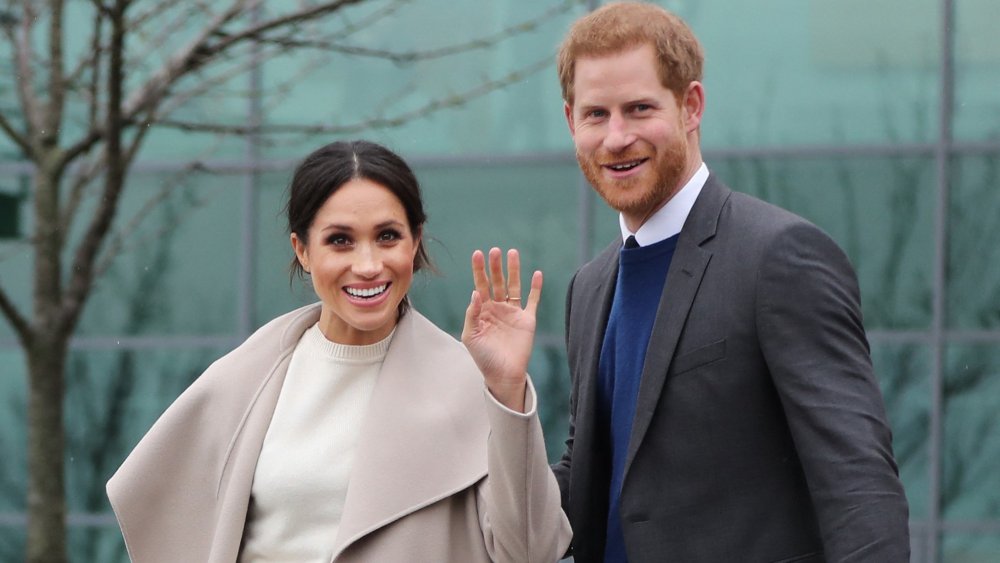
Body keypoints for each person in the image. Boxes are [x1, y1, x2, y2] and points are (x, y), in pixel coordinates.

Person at [551, 3, 910, 562]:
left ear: (691, 106)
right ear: (572, 121)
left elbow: (856, 481)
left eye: (640, 109)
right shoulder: (589, 289)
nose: (616, 138)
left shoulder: (779, 256)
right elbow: (591, 482)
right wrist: (501, 405)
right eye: (597, 115)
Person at [106, 140, 571, 562]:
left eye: (388, 236)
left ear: (417, 241)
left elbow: (532, 552)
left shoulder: (468, 383)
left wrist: (507, 390)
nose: (368, 265)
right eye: (339, 240)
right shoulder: (247, 378)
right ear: (303, 251)